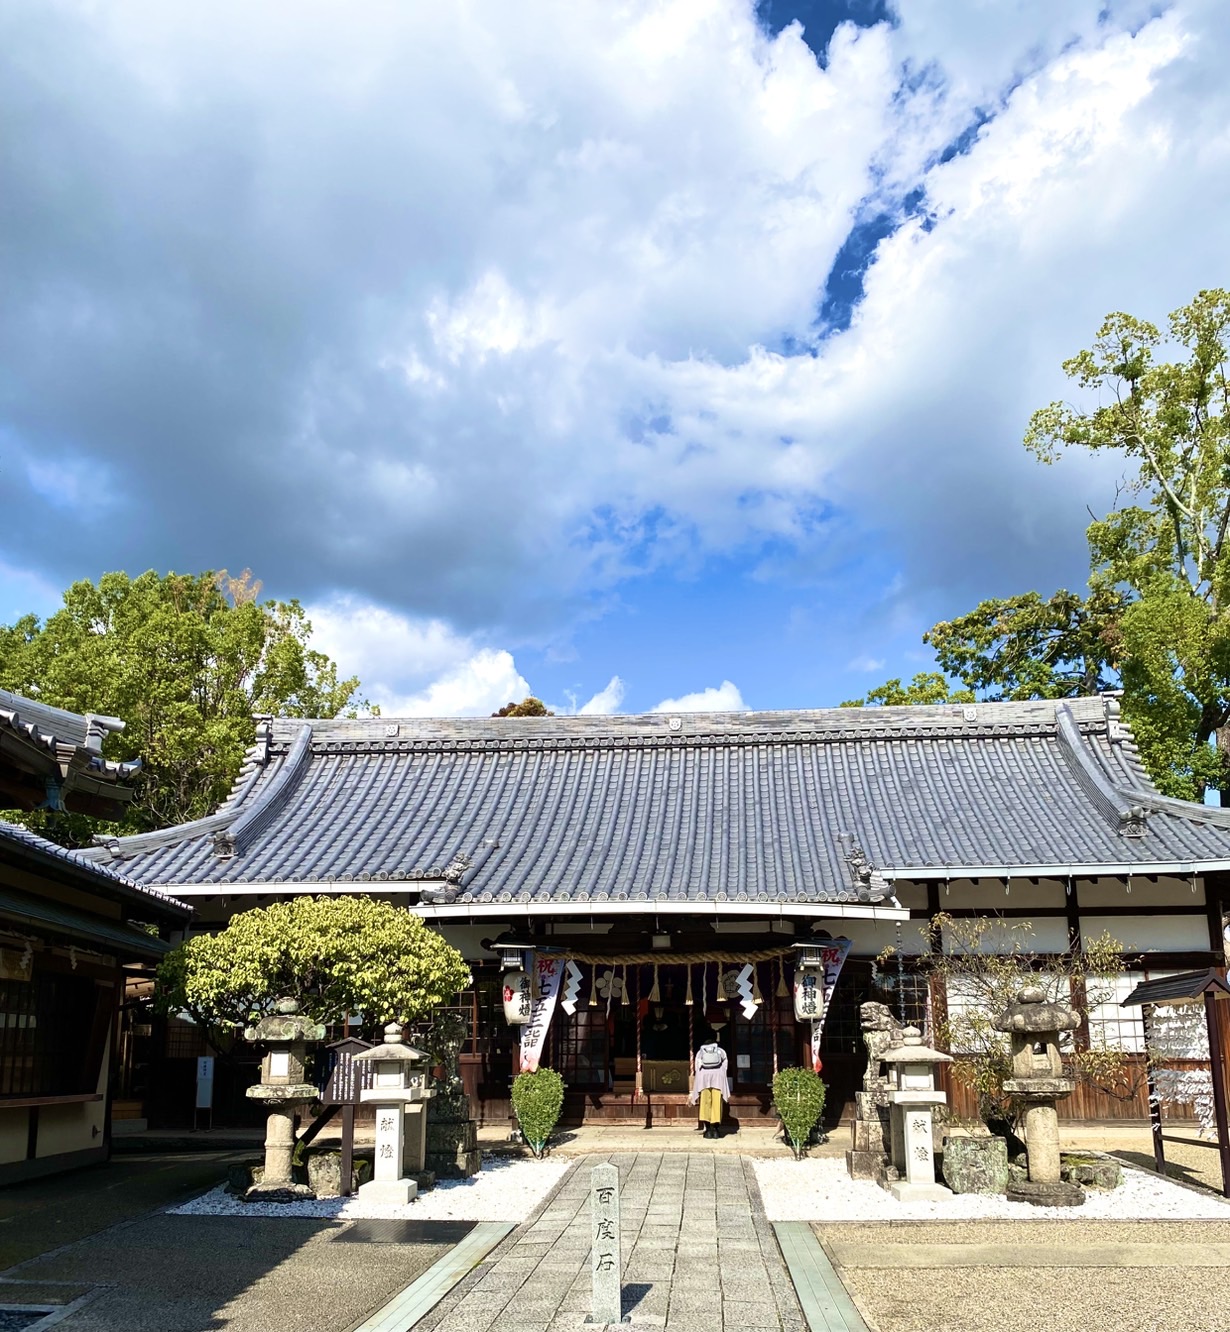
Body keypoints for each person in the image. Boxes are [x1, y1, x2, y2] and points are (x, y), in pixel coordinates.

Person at [688, 1036, 730, 1138]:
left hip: (703, 1079)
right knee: (716, 1103)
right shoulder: (720, 1051)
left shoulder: (700, 1052)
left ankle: (707, 1129)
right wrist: (721, 1072)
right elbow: (725, 1065)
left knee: (705, 1103)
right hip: (718, 1079)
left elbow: (697, 1067)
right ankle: (715, 1129)